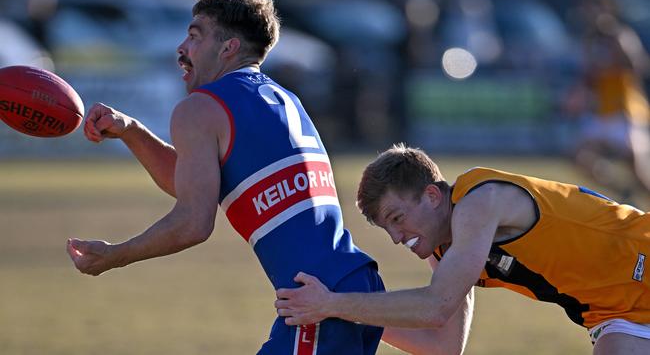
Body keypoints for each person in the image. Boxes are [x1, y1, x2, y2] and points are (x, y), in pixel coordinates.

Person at [66, 0, 386, 354]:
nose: (182, 47)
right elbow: (193, 184)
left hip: (316, 298)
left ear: (228, 47)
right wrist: (132, 131)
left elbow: (193, 222)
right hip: (358, 284)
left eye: (195, 35)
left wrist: (116, 254)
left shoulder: (201, 107)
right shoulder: (283, 98)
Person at [275, 144, 650, 355]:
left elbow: (435, 307)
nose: (395, 237)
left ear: (433, 195)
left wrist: (333, 303)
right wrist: (345, 315)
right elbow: (443, 347)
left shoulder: (479, 201)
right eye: (386, 227)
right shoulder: (447, 252)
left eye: (396, 217)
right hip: (616, 315)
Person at [564, 0, 650, 207]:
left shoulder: (619, 35)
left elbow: (636, 66)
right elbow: (588, 77)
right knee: (581, 157)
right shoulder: (589, 40)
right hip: (601, 112)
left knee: (639, 172)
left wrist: (616, 50)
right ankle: (622, 191)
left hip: (626, 111)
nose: (589, 14)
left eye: (594, 8)